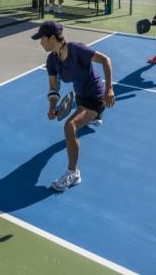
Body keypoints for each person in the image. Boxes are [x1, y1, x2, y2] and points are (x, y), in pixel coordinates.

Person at [33, 20, 114, 192]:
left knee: (70, 126)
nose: (40, 42)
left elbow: (106, 60)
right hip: (80, 97)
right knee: (80, 118)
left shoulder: (77, 50)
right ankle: (94, 118)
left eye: (42, 39)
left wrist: (109, 89)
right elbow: (54, 88)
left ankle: (73, 173)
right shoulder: (51, 61)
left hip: (97, 97)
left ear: (52, 38)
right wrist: (52, 106)